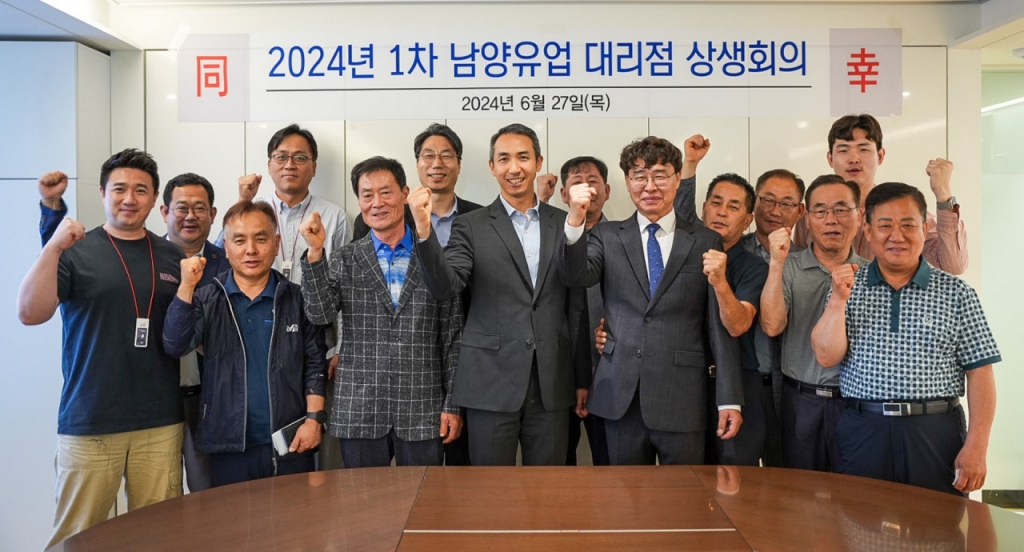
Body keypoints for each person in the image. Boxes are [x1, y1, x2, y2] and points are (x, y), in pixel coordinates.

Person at [19, 149, 185, 548]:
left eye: (140, 190)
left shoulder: (172, 256)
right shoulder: (73, 249)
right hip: (90, 420)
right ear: (102, 193)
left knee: (160, 537)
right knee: (78, 538)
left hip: (159, 422)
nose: (129, 198)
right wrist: (53, 247)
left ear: (154, 198)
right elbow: (29, 313)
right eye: (119, 189)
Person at [410, 123, 589, 466]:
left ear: (538, 162)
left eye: (523, 157)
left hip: (551, 382)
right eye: (504, 159)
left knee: (547, 488)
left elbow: (577, 294)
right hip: (489, 382)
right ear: (492, 167)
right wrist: (423, 230)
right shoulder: (471, 224)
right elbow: (446, 286)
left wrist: (582, 376)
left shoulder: (565, 222)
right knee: (489, 490)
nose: (514, 168)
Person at [560, 136, 743, 466]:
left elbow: (717, 326)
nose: (650, 186)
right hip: (620, 395)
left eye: (660, 175)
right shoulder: (606, 236)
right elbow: (576, 277)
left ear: (677, 179)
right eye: (639, 176)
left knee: (685, 493)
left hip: (683, 397)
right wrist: (575, 220)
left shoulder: (705, 240)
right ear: (627, 181)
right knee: (622, 494)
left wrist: (729, 399)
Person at [811, 182, 1000, 495]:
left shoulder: (957, 293)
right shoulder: (846, 285)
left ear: (924, 229)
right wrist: (838, 301)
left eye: (908, 225)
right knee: (860, 519)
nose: (896, 236)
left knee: (937, 521)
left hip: (935, 431)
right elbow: (826, 357)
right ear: (868, 231)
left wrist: (977, 446)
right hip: (864, 429)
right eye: (885, 225)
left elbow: (980, 372)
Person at [300, 157, 462, 468]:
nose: (377, 203)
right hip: (360, 409)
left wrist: (452, 404)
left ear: (405, 194)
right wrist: (316, 253)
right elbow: (320, 314)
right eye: (367, 195)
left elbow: (453, 338)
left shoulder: (435, 258)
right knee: (363, 498)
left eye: (386, 192)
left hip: (423, 409)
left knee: (423, 496)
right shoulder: (345, 258)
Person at [163, 200, 327, 487]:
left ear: (276, 244)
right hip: (226, 444)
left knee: (296, 515)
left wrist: (314, 419)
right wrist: (187, 286)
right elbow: (176, 345)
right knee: (232, 517)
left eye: (261, 239)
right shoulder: (207, 298)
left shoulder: (296, 298)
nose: (250, 249)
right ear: (226, 247)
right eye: (239, 241)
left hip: (290, 441)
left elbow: (314, 362)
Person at [354, 123, 481, 466]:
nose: (437, 163)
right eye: (428, 155)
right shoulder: (388, 215)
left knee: (460, 461)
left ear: (459, 163)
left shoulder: (480, 217)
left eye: (446, 156)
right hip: (410, 356)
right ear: (417, 164)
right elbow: (359, 289)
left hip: (469, 348)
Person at [231, 124, 350, 469]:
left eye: (300, 158)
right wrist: (243, 202)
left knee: (319, 445)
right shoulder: (253, 211)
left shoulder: (334, 216)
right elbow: (227, 263)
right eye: (281, 157)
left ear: (314, 167)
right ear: (269, 164)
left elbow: (345, 290)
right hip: (261, 341)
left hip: (318, 343)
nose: (289, 165)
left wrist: (341, 347)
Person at [760, 174, 868, 472]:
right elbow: (771, 326)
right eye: (820, 211)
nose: (831, 219)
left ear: (859, 215)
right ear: (806, 217)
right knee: (798, 491)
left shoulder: (872, 274)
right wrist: (776, 263)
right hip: (800, 401)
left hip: (857, 403)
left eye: (841, 209)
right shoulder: (788, 266)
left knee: (856, 490)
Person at [793, 114, 967, 274]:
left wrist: (943, 195)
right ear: (830, 158)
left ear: (880, 156)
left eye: (863, 149)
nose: (854, 159)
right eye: (843, 150)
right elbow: (799, 270)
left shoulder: (903, 209)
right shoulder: (813, 213)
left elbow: (953, 266)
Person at [160, 173, 230, 493]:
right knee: (158, 494)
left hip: (210, 397)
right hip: (157, 395)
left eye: (200, 208)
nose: (190, 216)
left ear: (213, 214)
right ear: (165, 211)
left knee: (210, 492)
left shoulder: (228, 265)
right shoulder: (147, 259)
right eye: (182, 208)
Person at [548, 156, 613, 466]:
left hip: (609, 374)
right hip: (558, 374)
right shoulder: (550, 238)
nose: (587, 189)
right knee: (559, 467)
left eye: (593, 181)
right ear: (564, 194)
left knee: (610, 463)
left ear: (607, 191)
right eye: (577, 183)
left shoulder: (623, 238)